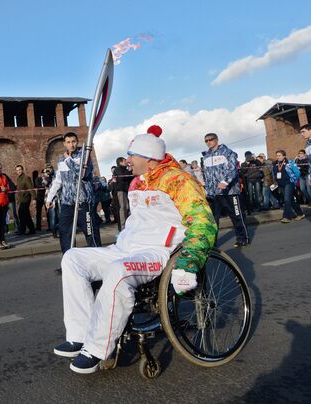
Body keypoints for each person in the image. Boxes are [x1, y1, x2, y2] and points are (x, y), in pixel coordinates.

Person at [53, 125, 217, 374]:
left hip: (156, 253)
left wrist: (189, 261)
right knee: (72, 258)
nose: (127, 160)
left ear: (149, 159)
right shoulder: (136, 184)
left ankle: (98, 348)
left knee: (119, 272)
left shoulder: (179, 180)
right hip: (124, 249)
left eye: (132, 155)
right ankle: (81, 334)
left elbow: (203, 222)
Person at [46, 132, 101, 254]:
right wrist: (49, 198)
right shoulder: (61, 160)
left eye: (74, 141)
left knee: (90, 231)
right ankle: (69, 261)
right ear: (64, 144)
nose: (71, 145)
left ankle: (98, 259)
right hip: (67, 202)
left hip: (83, 201)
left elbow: (82, 173)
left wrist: (68, 160)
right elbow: (58, 180)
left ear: (77, 142)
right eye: (69, 142)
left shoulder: (85, 155)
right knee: (65, 231)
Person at [201, 133, 249, 247]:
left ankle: (243, 238)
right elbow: (206, 175)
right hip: (213, 193)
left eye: (210, 140)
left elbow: (232, 170)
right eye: (206, 141)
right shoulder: (206, 156)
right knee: (212, 220)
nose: (208, 142)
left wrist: (225, 182)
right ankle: (212, 243)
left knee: (236, 215)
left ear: (216, 140)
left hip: (230, 191)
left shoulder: (228, 153)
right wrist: (206, 188)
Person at [272, 150, 305, 223]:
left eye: (279, 155)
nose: (278, 157)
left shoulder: (290, 162)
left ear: (284, 156)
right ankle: (300, 214)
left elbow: (297, 172)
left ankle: (286, 217)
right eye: (277, 155)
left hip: (289, 183)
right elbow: (274, 174)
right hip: (281, 184)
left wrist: (294, 180)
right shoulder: (275, 164)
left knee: (286, 199)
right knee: (291, 200)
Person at [15, 164, 36, 235]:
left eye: (20, 170)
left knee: (22, 213)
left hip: (26, 198)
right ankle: (29, 229)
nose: (19, 171)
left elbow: (30, 188)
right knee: (24, 214)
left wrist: (34, 198)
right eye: (17, 170)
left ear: (22, 170)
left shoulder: (26, 178)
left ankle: (24, 229)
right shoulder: (18, 178)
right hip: (21, 199)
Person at [113, 157, 131, 230]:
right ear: (120, 162)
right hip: (121, 190)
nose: (127, 162)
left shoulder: (126, 170)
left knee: (128, 207)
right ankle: (123, 226)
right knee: (123, 207)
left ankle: (129, 223)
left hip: (127, 190)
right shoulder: (117, 169)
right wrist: (129, 171)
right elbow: (122, 178)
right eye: (125, 161)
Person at [300, 124, 311, 195]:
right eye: (301, 132)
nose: (302, 134)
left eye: (303, 131)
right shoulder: (307, 144)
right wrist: (310, 176)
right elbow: (310, 161)